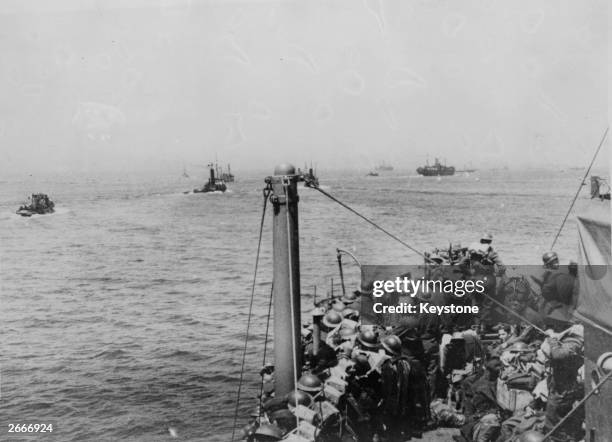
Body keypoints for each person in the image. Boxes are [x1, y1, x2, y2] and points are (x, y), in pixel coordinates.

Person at [540, 314, 584, 442]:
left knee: (554, 422)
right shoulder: (567, 334)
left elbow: (560, 355)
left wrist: (552, 340)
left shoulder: (576, 335)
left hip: (565, 386)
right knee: (552, 417)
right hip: (559, 383)